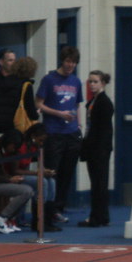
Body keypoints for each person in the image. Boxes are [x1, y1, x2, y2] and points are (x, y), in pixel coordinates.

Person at [35, 46, 83, 221]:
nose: (71, 65)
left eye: (74, 62)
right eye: (68, 61)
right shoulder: (49, 79)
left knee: (67, 172)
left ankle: (59, 208)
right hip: (53, 132)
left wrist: (79, 126)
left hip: (71, 132)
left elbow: (77, 105)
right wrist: (58, 113)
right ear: (62, 61)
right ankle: (48, 208)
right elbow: (39, 104)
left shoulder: (76, 82)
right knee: (52, 171)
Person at [8, 123, 59, 232]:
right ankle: (37, 221)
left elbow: (40, 166)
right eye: (40, 140)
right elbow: (14, 170)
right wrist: (37, 173)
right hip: (15, 175)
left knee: (51, 181)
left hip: (25, 174)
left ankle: (48, 219)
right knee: (42, 181)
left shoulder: (34, 147)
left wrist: (45, 171)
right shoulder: (21, 147)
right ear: (33, 137)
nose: (42, 143)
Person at [79, 70, 113, 228]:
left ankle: (97, 216)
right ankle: (102, 215)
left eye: (95, 82)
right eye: (90, 81)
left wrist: (98, 149)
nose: (92, 84)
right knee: (98, 183)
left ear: (103, 83)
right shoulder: (94, 101)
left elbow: (104, 129)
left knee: (99, 183)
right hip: (94, 147)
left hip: (99, 148)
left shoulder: (104, 102)